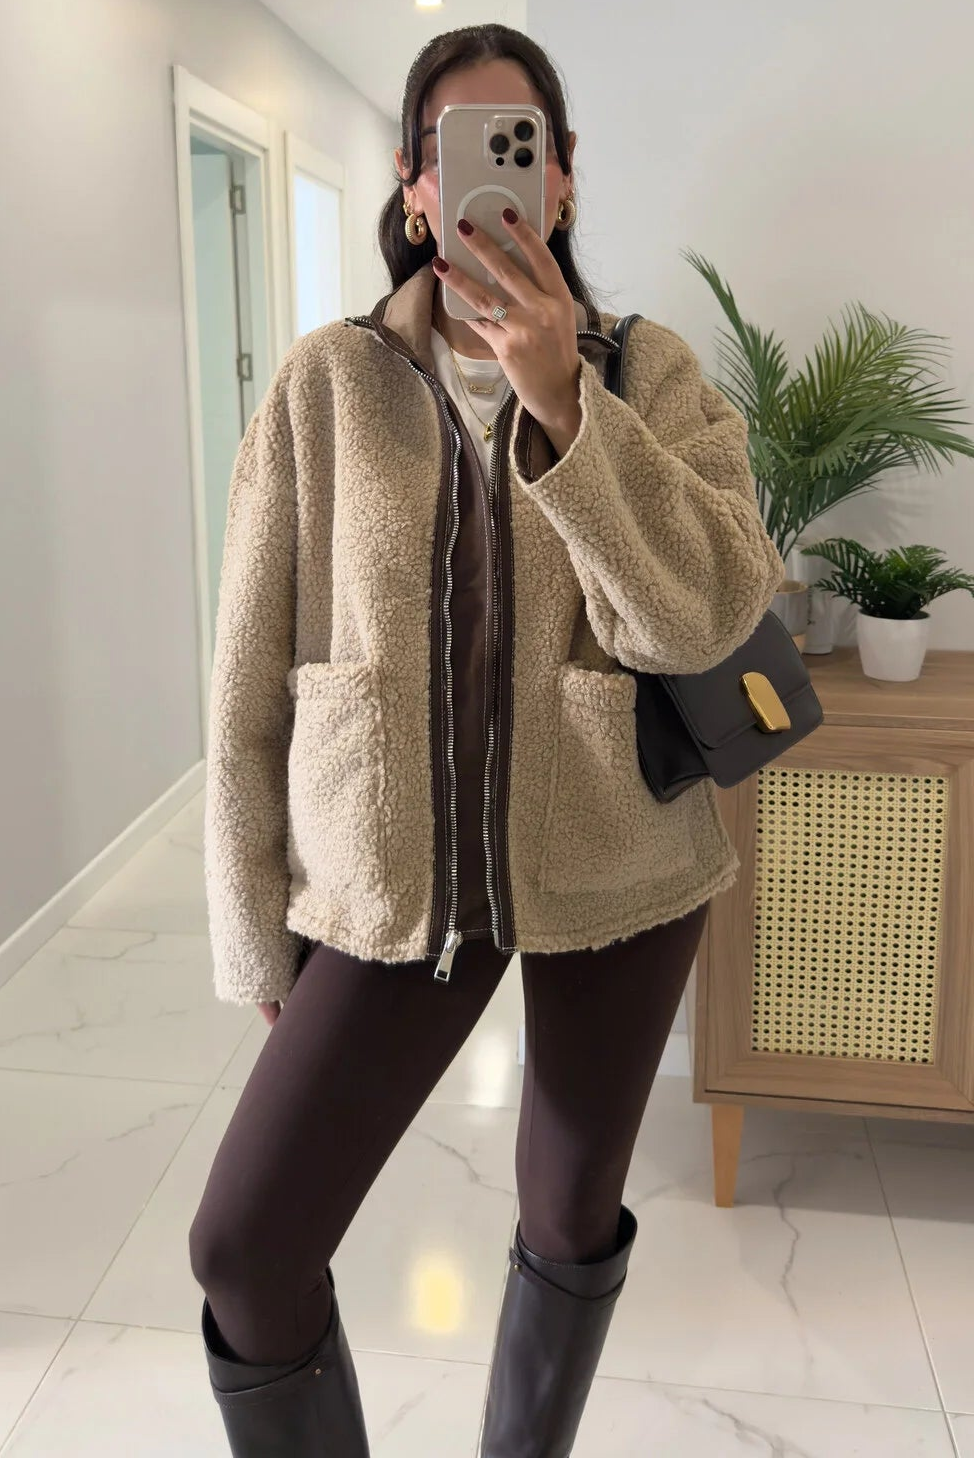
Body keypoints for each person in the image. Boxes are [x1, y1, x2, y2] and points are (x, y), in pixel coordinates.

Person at [188, 22, 785, 1460]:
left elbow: (707, 614)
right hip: (394, 876)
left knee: (567, 1209)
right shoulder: (326, 385)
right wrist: (255, 929)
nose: (491, 177)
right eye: (454, 150)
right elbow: (249, 679)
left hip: (618, 858)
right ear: (414, 188)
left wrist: (566, 407)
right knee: (245, 1248)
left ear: (562, 177)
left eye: (521, 145)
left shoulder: (650, 375)